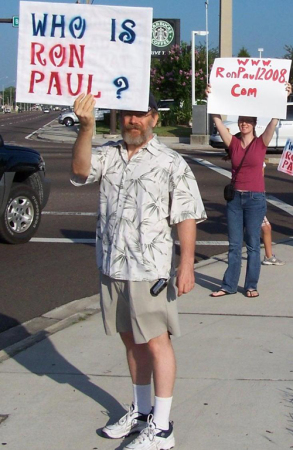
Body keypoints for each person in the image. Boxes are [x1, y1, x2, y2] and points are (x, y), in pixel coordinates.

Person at [70, 92, 206, 449]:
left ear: (153, 119)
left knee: (157, 342)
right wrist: (85, 128)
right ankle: (142, 412)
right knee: (130, 339)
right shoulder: (109, 154)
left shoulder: (170, 162)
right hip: (113, 264)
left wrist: (187, 263)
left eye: (141, 115)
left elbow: (186, 215)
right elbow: (81, 170)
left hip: (151, 269)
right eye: (127, 114)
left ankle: (162, 428)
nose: (133, 121)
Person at [207, 82, 291, 298]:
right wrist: (211, 97)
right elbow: (216, 120)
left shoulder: (261, 143)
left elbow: (274, 119)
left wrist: (284, 95)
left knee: (253, 245)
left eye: (248, 121)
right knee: (234, 245)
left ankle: (251, 285)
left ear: (254, 124)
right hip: (235, 200)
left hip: (255, 199)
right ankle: (229, 286)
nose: (244, 124)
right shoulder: (233, 143)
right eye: (241, 121)